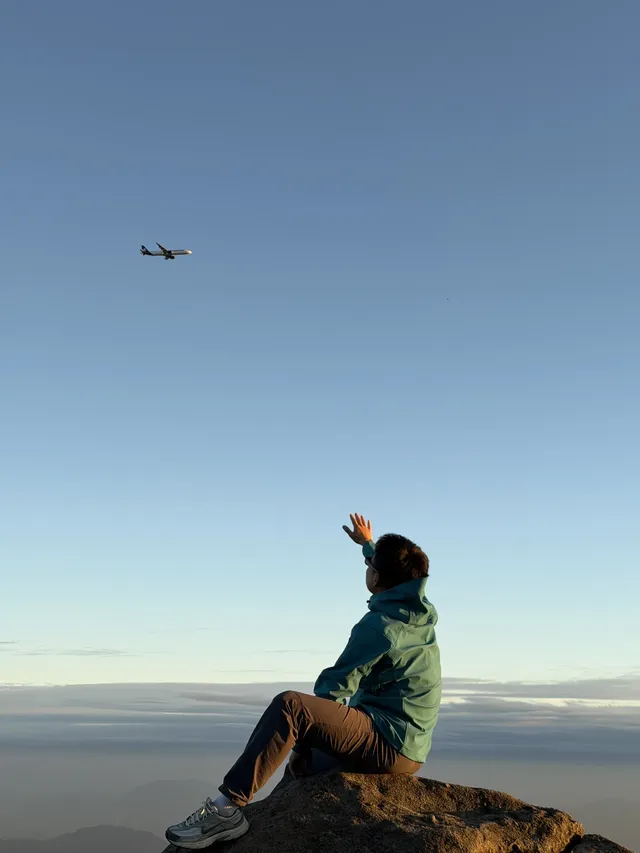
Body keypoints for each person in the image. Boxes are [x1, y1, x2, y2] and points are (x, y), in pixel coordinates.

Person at [165, 513, 442, 849]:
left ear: (377, 578)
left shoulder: (379, 627)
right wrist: (368, 545)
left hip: (385, 744)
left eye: (372, 567)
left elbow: (333, 690)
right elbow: (394, 572)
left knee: (291, 707)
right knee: (299, 769)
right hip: (410, 751)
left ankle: (227, 809)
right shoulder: (417, 614)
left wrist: (306, 741)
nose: (368, 570)